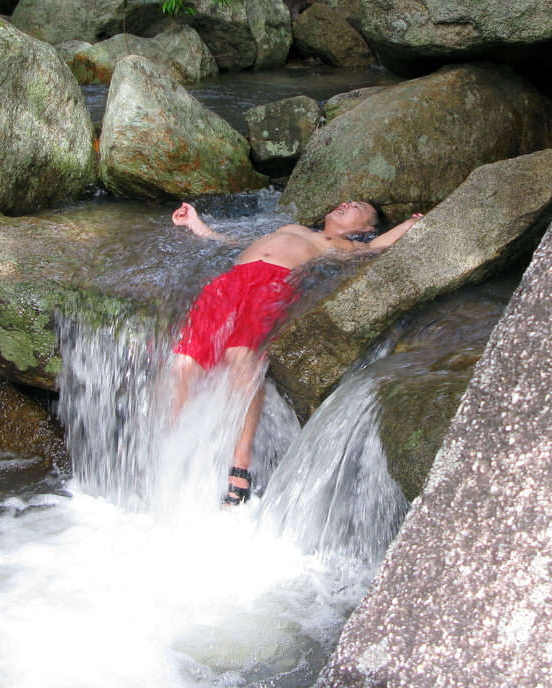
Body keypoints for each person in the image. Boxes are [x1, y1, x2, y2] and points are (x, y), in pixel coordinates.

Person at [170, 200, 422, 505]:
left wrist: (409, 224)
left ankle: (240, 464)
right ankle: (177, 450)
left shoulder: (342, 245)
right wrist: (197, 225)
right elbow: (238, 243)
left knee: (241, 356)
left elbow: (376, 247)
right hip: (230, 282)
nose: (346, 203)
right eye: (346, 201)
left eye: (357, 207)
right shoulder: (292, 228)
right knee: (184, 364)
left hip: (274, 284)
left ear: (366, 227)